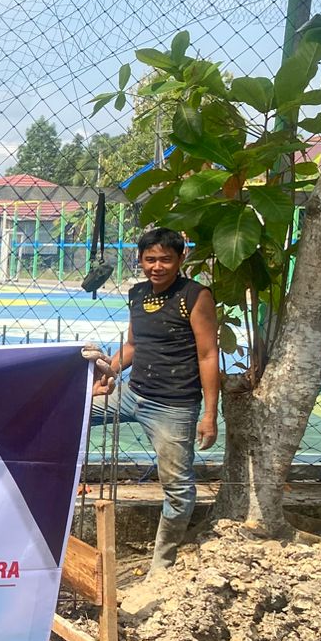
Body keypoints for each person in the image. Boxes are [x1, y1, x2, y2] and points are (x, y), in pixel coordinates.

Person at [91, 227, 218, 571]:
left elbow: (208, 355)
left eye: (165, 259)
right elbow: (133, 345)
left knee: (178, 490)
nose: (157, 266)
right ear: (140, 260)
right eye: (150, 259)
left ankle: (162, 567)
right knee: (71, 409)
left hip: (173, 406)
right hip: (131, 394)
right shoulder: (138, 293)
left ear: (181, 258)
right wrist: (108, 373)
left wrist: (209, 414)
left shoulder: (195, 296)